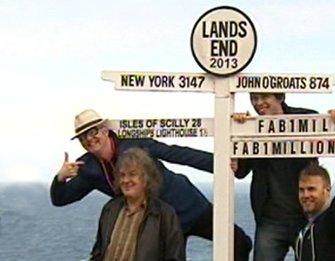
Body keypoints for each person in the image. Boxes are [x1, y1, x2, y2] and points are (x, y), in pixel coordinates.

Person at [50, 109, 252, 260]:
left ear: (104, 130)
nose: (89, 139)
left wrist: (223, 164)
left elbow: (177, 154)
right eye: (83, 137)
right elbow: (60, 199)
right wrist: (60, 177)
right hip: (157, 225)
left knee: (240, 243)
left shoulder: (135, 144)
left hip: (188, 205)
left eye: (92, 131)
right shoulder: (89, 168)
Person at [231, 93, 335, 261]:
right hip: (270, 220)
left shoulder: (307, 119)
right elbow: (241, 171)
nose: (258, 103)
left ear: (279, 97)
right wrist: (238, 132)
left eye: (264, 97)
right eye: (254, 98)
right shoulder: (252, 128)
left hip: (307, 216)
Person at [91, 148, 185, 261]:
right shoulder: (110, 209)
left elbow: (175, 257)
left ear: (146, 179)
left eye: (132, 174)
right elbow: (98, 253)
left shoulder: (164, 215)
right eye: (122, 175)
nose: (126, 180)